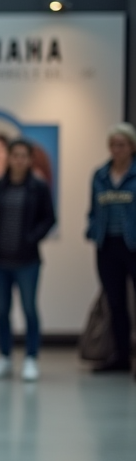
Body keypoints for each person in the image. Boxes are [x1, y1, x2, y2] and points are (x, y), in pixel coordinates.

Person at [0, 139, 56, 381]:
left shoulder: (38, 187)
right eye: (14, 155)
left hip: (28, 262)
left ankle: (31, 358)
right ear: (9, 158)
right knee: (2, 311)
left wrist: (32, 237)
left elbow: (49, 218)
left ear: (30, 159)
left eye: (23, 156)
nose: (18, 160)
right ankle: (4, 357)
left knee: (29, 309)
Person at [86, 122, 136, 375]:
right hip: (107, 245)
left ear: (131, 147)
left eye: (122, 145)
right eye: (113, 145)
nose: (117, 149)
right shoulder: (100, 175)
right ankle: (120, 355)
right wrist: (92, 229)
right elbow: (94, 209)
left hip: (133, 245)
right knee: (115, 302)